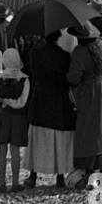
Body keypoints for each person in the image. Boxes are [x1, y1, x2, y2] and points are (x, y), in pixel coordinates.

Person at [66, 21, 102, 179]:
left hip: (91, 91)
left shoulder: (80, 52)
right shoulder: (100, 44)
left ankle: (90, 166)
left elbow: (74, 77)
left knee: (91, 128)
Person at [25, 29, 77, 189]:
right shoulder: (64, 55)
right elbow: (68, 79)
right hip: (59, 98)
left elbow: (31, 72)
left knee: (37, 137)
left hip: (40, 97)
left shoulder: (35, 53)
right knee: (59, 137)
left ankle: (33, 175)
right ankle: (60, 176)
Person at [0, 47, 30, 192]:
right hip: (18, 117)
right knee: (15, 150)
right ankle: (16, 183)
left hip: (1, 116)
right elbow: (22, 102)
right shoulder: (24, 79)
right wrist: (10, 101)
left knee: (2, 149)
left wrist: (2, 100)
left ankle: (2, 182)